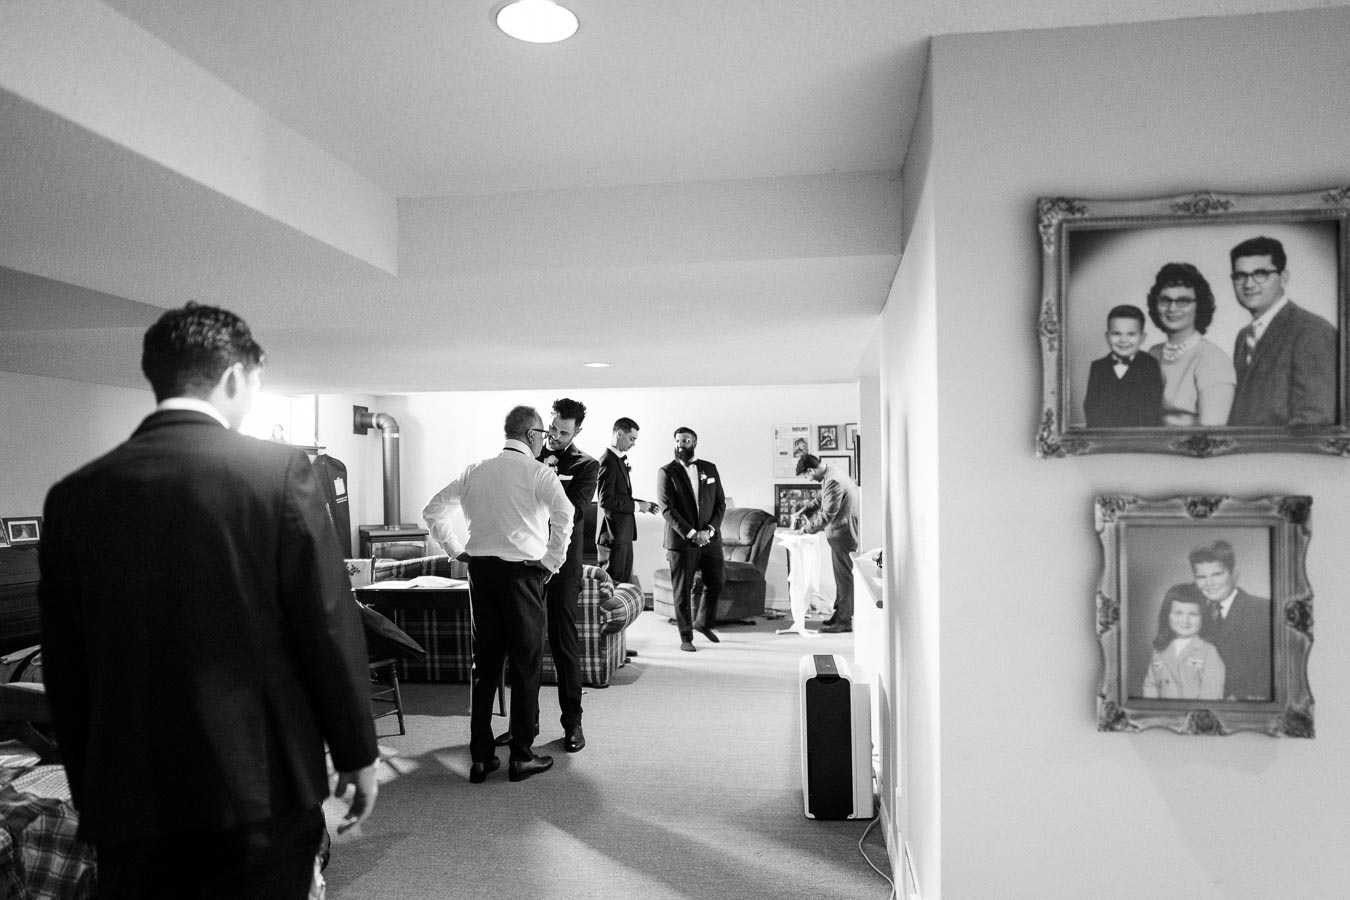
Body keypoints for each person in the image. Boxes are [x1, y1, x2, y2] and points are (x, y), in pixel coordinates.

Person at [37, 303, 377, 900]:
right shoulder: (277, 474)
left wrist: (93, 791)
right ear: (232, 377)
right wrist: (356, 751)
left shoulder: (74, 495)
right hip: (257, 783)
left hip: (129, 795)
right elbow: (326, 621)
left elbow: (66, 666)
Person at [422, 405, 572, 782]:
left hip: (482, 574)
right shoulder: (538, 473)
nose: (547, 441)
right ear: (533, 435)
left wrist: (456, 549)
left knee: (484, 667)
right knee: (525, 665)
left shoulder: (475, 471)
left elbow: (432, 510)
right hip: (523, 576)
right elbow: (565, 515)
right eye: (545, 435)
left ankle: (480, 756)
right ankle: (521, 755)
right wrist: (551, 562)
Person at [535, 398, 598, 753]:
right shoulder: (528, 457)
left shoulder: (587, 465)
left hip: (562, 564)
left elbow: (572, 513)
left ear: (577, 431)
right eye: (553, 428)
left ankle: (573, 723)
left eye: (564, 432)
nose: (556, 437)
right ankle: (525, 725)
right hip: (524, 561)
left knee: (563, 642)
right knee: (525, 643)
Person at [1226, 236, 1338, 426]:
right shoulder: (1243, 336)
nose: (1248, 284)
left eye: (1260, 274)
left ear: (1283, 278)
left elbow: (1316, 418)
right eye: (1240, 276)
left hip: (1284, 453)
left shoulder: (1312, 330)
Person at [656, 427, 726, 652]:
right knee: (682, 590)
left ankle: (703, 623)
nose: (681, 444)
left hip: (710, 539)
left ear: (694, 442)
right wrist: (692, 534)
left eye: (686, 440)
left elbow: (720, 504)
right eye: (678, 440)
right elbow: (667, 509)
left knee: (717, 581)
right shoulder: (666, 472)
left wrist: (709, 530)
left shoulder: (710, 468)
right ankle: (686, 636)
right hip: (682, 541)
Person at [1145, 262, 1236, 426]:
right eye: (1165, 300)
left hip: (1190, 449)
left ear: (1199, 306)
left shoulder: (1213, 359)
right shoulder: (1153, 353)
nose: (1172, 308)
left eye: (1183, 301)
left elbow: (1211, 434)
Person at [1191, 540, 1272, 702]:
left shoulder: (1264, 610)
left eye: (1217, 574)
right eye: (1201, 577)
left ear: (1234, 574)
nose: (1209, 584)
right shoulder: (1192, 615)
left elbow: (1276, 671)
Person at [795, 453, 860, 633]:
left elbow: (828, 514)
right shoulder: (832, 472)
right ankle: (839, 615)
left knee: (844, 578)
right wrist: (806, 510)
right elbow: (823, 499)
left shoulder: (833, 480)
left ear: (810, 470)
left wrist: (806, 529)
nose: (808, 479)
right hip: (843, 531)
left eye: (807, 476)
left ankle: (845, 621)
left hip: (843, 533)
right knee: (841, 577)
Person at [596, 417, 659, 586]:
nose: (633, 444)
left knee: (622, 586)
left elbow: (621, 496)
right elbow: (605, 500)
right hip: (614, 536)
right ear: (619, 433)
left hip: (623, 535)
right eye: (632, 439)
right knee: (611, 586)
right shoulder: (607, 462)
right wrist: (637, 507)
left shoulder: (618, 461)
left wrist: (643, 504)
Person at [1083, 304, 1164, 427]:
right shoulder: (1098, 367)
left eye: (1131, 334)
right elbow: (1091, 408)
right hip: (1105, 437)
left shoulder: (1150, 365)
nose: (1123, 340)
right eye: (1116, 333)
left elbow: (1153, 411)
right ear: (1107, 337)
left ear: (1142, 338)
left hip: (1140, 438)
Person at [1141, 583, 1225, 700]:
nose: (1185, 620)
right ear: (1167, 615)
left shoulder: (1208, 652)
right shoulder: (1159, 651)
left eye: (1193, 614)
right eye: (1178, 613)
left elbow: (1211, 692)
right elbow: (1150, 687)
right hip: (1163, 716)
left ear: (1204, 618)